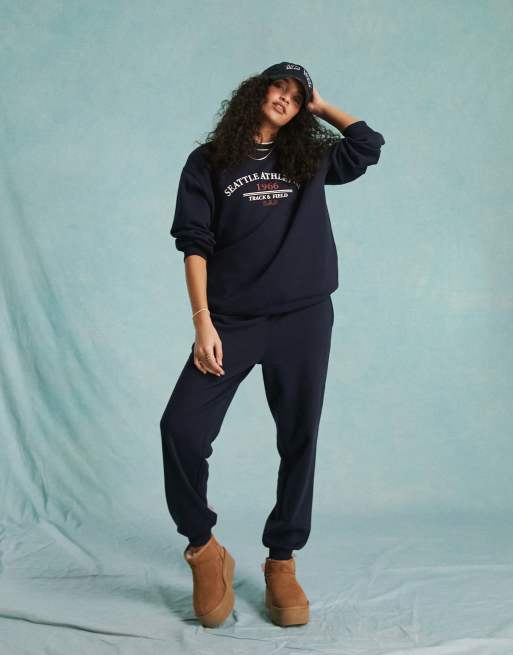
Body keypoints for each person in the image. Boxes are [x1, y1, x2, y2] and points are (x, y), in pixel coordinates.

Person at [160, 61, 385, 628]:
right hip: (232, 322)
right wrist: (202, 321)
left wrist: (322, 105)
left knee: (298, 436)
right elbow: (193, 243)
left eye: (296, 94)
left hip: (303, 319)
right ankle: (203, 548)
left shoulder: (307, 157)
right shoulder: (208, 161)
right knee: (181, 429)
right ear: (256, 92)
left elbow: (368, 145)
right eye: (278, 87)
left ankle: (281, 559)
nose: (285, 97)